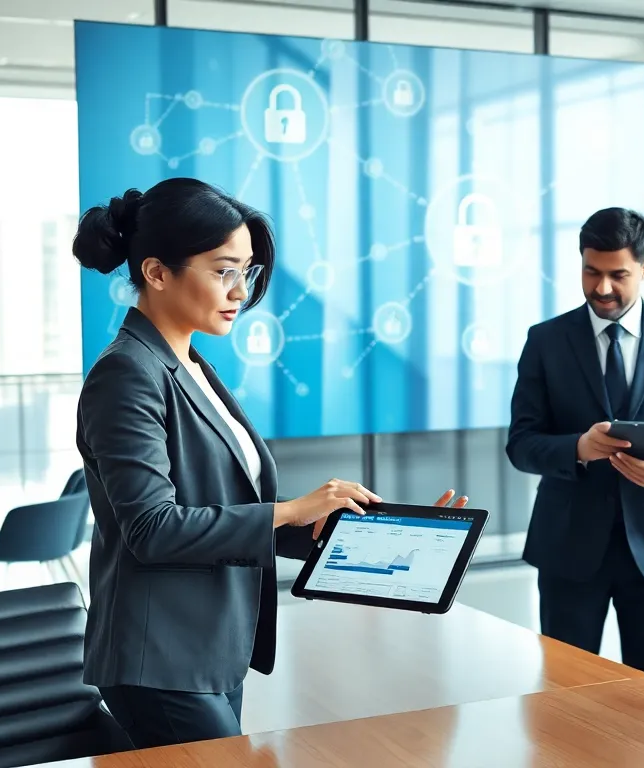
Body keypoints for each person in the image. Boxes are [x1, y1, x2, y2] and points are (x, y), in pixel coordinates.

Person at [73, 178, 467, 749]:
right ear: (157, 272)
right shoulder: (128, 374)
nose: (239, 291)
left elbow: (226, 514)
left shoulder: (190, 366)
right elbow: (152, 530)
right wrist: (288, 510)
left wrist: (381, 535)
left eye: (247, 272)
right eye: (222, 270)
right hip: (157, 660)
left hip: (209, 649)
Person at [505, 207, 644, 683]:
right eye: (591, 271)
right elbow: (521, 443)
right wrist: (578, 449)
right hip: (568, 549)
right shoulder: (545, 341)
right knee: (565, 700)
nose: (602, 288)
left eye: (618, 275)